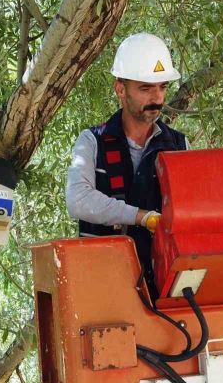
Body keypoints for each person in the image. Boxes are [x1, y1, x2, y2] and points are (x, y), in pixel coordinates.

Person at [65, 33, 188, 299]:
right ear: (120, 90)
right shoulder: (92, 141)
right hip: (104, 288)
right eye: (146, 88)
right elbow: (77, 199)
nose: (157, 98)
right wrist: (141, 216)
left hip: (164, 289)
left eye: (163, 87)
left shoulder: (179, 145)